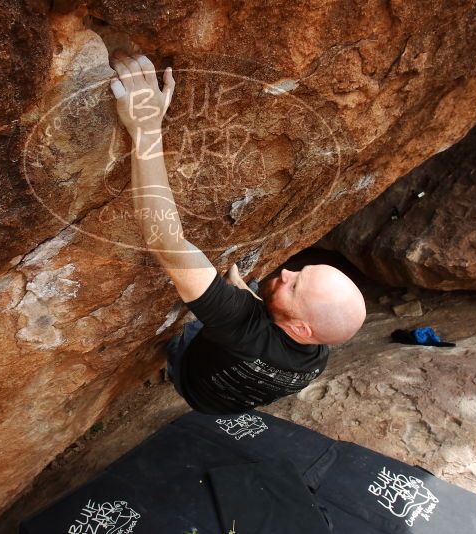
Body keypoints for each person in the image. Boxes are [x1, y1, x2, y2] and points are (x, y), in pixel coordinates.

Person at [109, 51, 366, 415]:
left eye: (294, 286)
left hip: (192, 378)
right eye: (302, 271)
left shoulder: (239, 324)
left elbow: (166, 242)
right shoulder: (315, 358)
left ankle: (172, 362)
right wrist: (259, 300)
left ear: (303, 331)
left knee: (186, 335)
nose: (288, 273)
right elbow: (272, 331)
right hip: (231, 400)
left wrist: (146, 128)